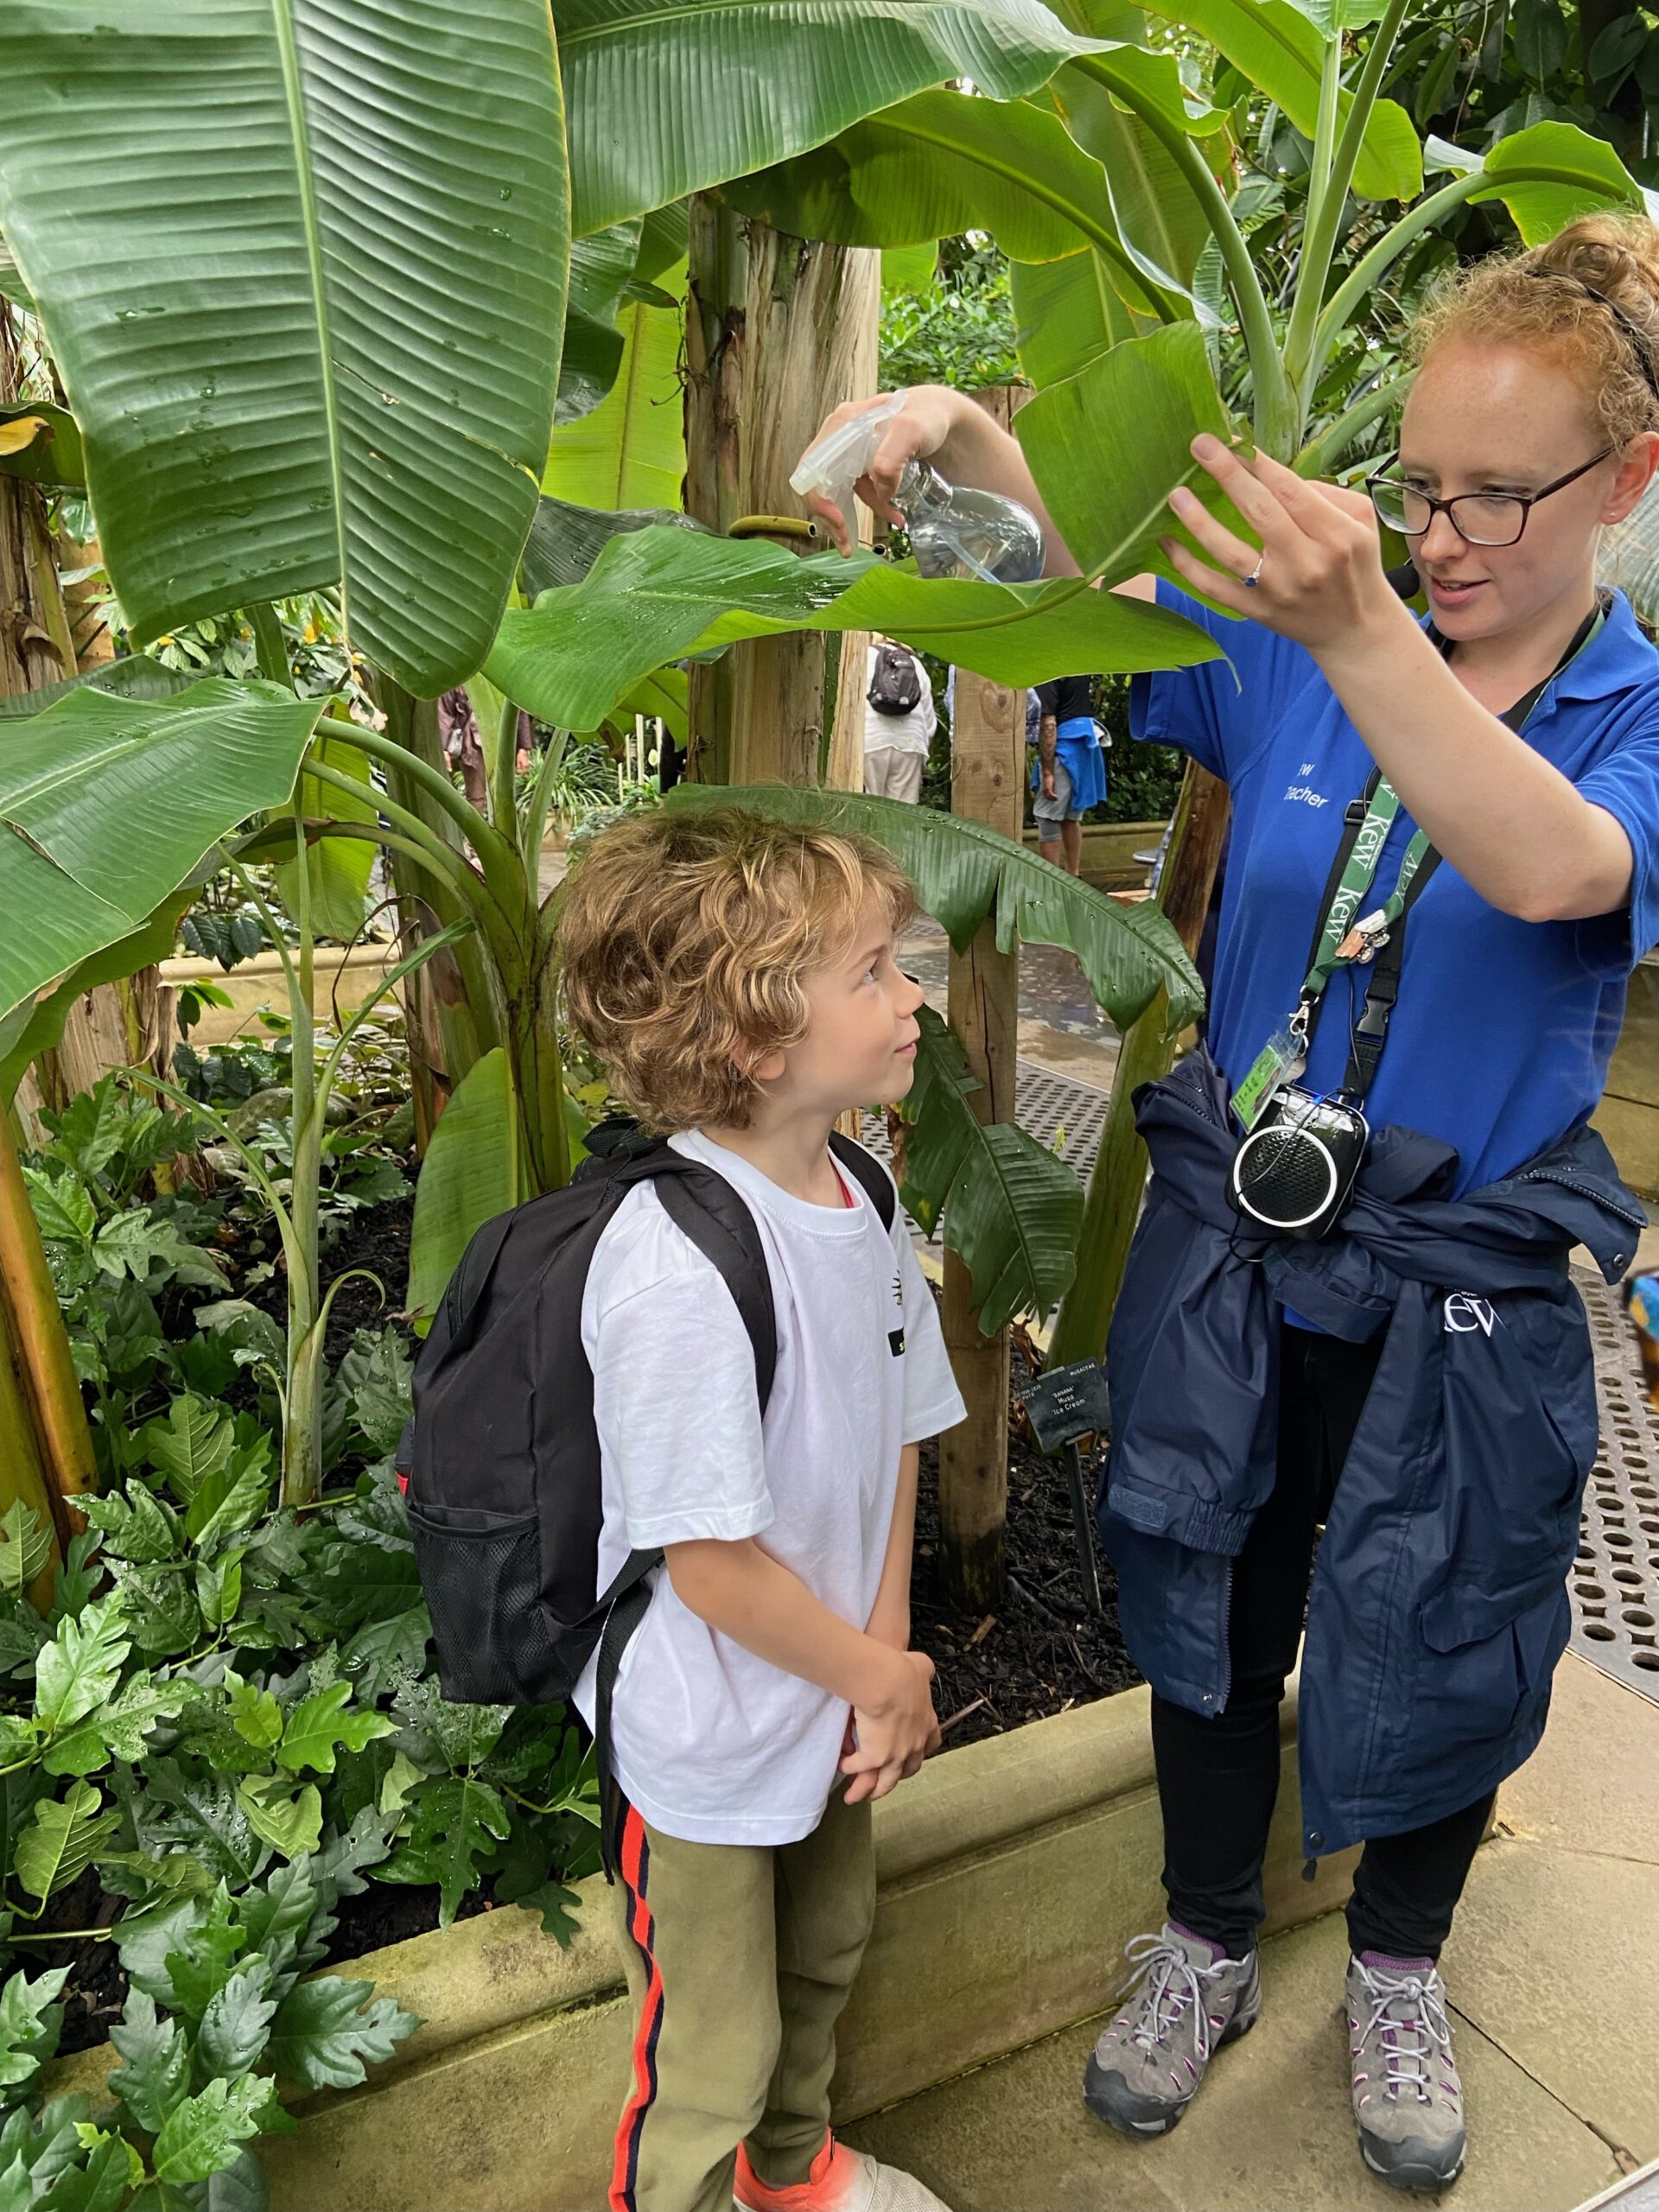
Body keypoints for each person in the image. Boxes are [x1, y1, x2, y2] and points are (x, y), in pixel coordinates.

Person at [802, 210, 1659, 2194]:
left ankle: (1394, 1963)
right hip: (1241, 1245)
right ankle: (1200, 1934)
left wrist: (1369, 633)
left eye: (1496, 499)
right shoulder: (1298, 645)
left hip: (1458, 1277)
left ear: (1628, 480)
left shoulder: (1625, 714)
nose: (1436, 539)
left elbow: (1547, 869)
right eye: (1417, 488)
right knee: (1200, 1584)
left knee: (1450, 1626)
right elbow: (1096, 605)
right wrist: (965, 441)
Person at [559, 807, 967, 2212]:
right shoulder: (674, 1269)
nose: (912, 994)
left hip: (836, 1695)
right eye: (870, 973)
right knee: (711, 2049)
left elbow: (904, 1419)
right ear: (750, 1040)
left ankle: (788, 2177)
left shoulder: (862, 1188)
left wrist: (886, 1656)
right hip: (706, 1744)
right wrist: (886, 1676)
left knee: (826, 1953)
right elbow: (714, 1570)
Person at [1033, 671, 1107, 874]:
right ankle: (1073, 876)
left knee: (1048, 816)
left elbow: (1048, 722)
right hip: (1084, 744)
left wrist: (1047, 772)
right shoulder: (1071, 663)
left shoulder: (1045, 673)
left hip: (1065, 744)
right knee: (1069, 817)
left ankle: (1053, 882)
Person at [861, 634, 936, 802]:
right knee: (901, 815)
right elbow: (929, 722)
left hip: (870, 740)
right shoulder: (915, 664)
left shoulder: (864, 656)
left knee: (868, 808)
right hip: (911, 744)